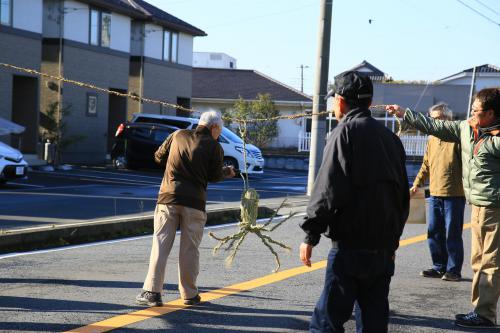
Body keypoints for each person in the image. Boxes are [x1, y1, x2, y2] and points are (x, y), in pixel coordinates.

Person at [300, 71, 410, 332]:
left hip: (350, 245)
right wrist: (392, 240)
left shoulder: (344, 133)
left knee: (326, 321)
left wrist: (310, 235)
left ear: (339, 101)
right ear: (369, 103)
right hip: (382, 248)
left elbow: (327, 190)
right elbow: (402, 196)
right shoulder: (390, 139)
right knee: (373, 321)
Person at [386, 87, 500, 328]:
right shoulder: (467, 129)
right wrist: (405, 113)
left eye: (475, 110)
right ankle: (479, 311)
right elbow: (434, 126)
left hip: (495, 208)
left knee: (490, 262)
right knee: (479, 261)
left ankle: (485, 314)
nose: (470, 114)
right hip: (478, 206)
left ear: (490, 113)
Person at [136, 110, 235, 307]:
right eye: (219, 131)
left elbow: (158, 156)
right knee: (189, 249)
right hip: (195, 203)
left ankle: (152, 293)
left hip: (168, 198)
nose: (219, 134)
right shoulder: (214, 146)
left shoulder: (177, 135)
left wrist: (175, 164)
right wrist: (227, 172)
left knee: (160, 245)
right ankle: (189, 295)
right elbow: (214, 176)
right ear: (214, 127)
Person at [411, 103, 466, 282]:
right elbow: (426, 165)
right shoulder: (431, 139)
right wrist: (416, 184)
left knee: (452, 233)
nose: (432, 123)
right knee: (434, 231)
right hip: (434, 192)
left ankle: (453, 270)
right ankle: (439, 267)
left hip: (455, 194)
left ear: (447, 120)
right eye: (431, 119)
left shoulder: (457, 138)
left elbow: (468, 167)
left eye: (436, 119)